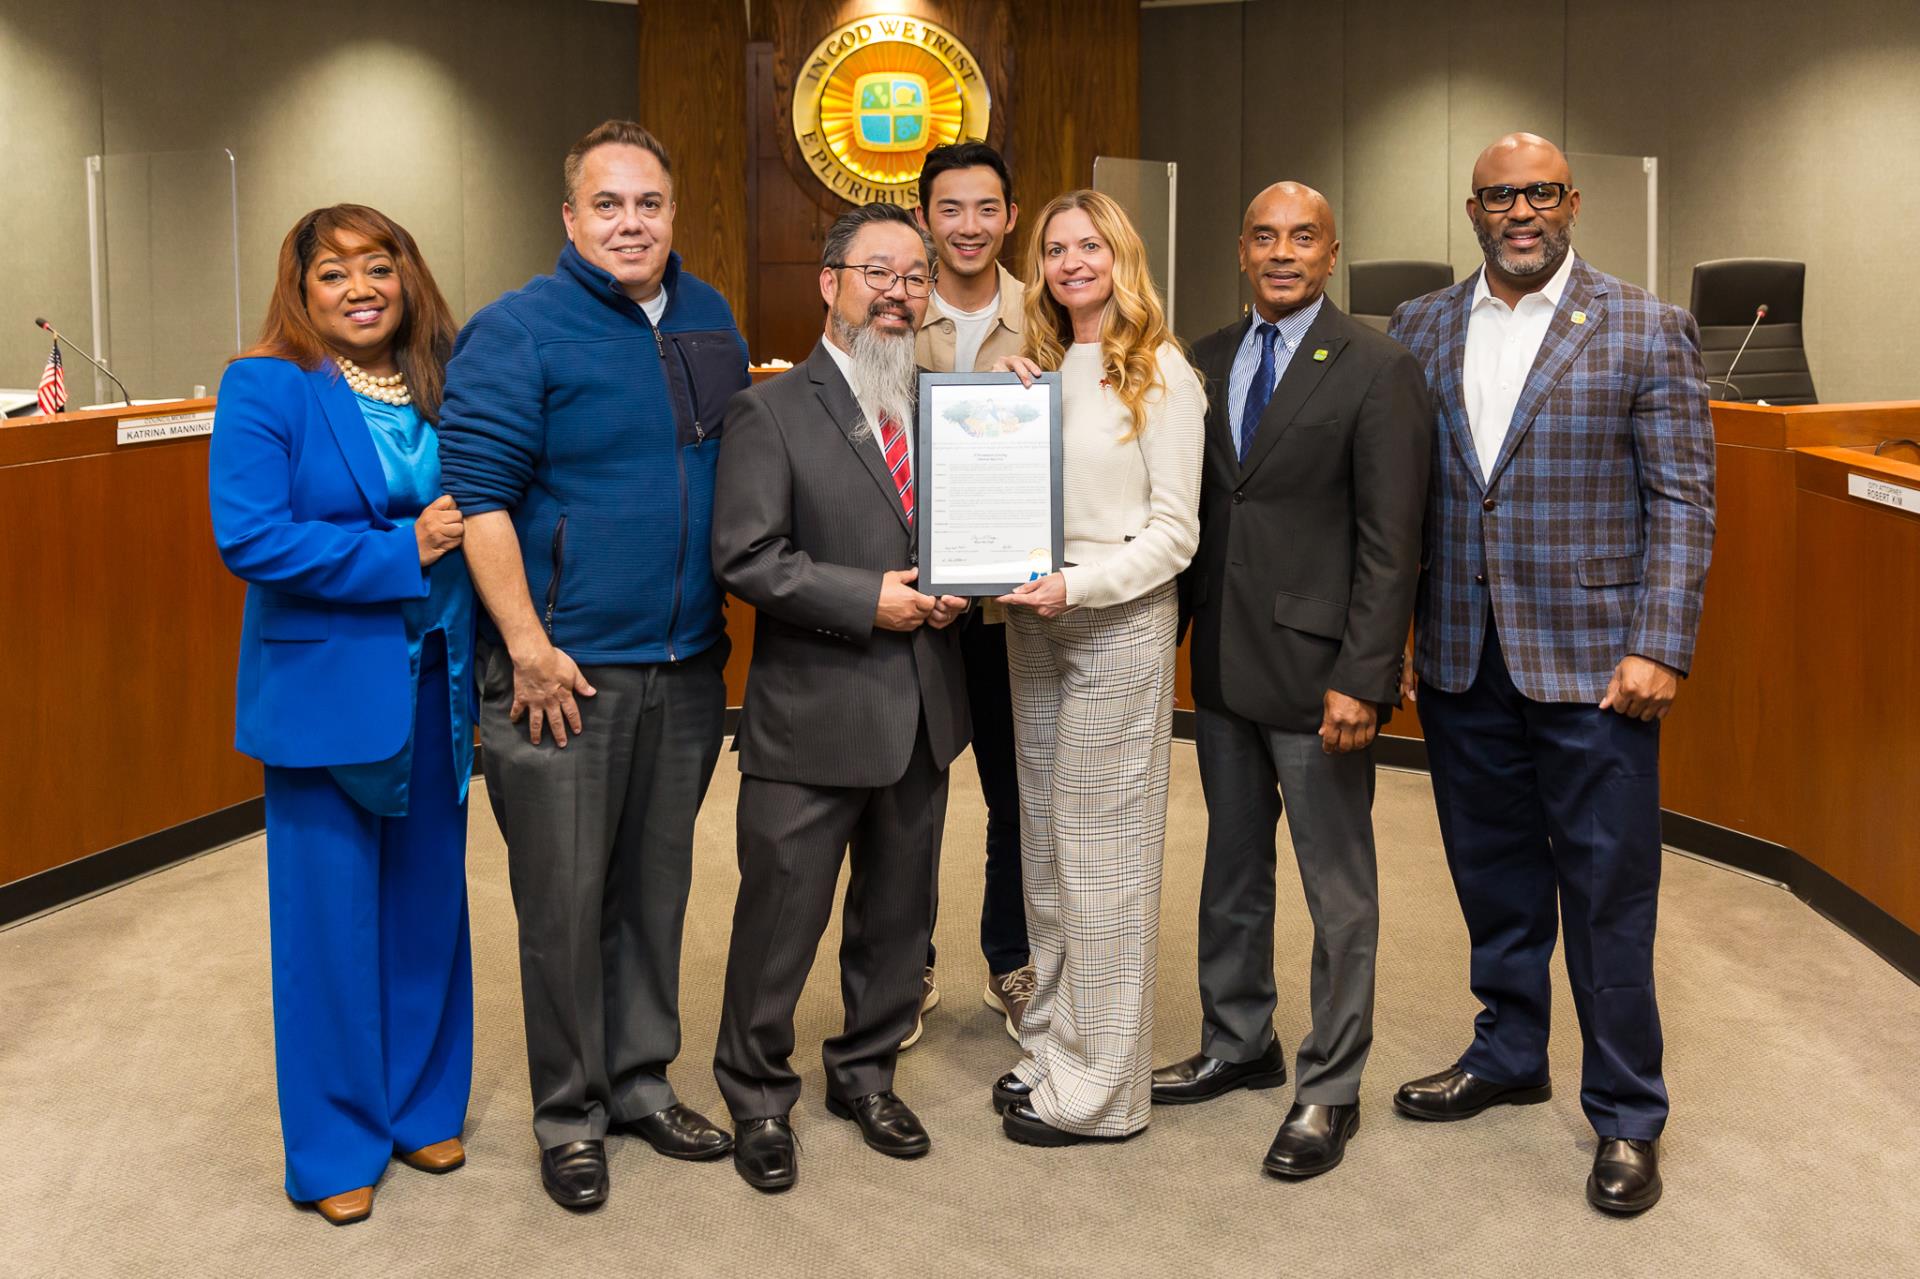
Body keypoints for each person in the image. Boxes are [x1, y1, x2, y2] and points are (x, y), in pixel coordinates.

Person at [1387, 133, 1714, 1214]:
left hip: (1596, 666)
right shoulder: (1423, 326)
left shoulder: (1645, 324)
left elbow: (1683, 501)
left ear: (1569, 201)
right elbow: (1404, 502)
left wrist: (1661, 641)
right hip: (1460, 656)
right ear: (1472, 209)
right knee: (1495, 881)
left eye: (1538, 192)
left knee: (1609, 893)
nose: (1519, 210)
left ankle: (1627, 1112)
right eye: (1498, 196)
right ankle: (1508, 1050)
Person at [436, 120, 748, 1212]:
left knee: (656, 892)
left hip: (689, 664)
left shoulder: (709, 316)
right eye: (607, 205)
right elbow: (477, 503)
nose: (631, 222)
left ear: (674, 213)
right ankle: (569, 1111)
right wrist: (526, 648)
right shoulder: (516, 331)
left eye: (649, 204)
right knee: (564, 903)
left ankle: (640, 1080)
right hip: (562, 674)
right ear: (569, 219)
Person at [1150, 183, 1432, 1179]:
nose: (1282, 252)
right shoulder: (1205, 359)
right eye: (1264, 235)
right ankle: (1239, 1040)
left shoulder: (1379, 367)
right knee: (1231, 871)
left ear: (1331, 250)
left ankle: (1330, 1085)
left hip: (1324, 682)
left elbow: (1391, 542)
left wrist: (1366, 676)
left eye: (1301, 236)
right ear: (1241, 248)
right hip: (1223, 663)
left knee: (1337, 887)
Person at [209, 204, 473, 1226]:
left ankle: (420, 1105)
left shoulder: (443, 383)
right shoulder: (266, 384)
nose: (359, 288)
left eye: (379, 266)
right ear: (301, 289)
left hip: (439, 675)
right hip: (324, 689)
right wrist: (397, 551)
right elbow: (251, 537)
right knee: (326, 926)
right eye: (333, 273)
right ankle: (332, 1144)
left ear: (408, 278)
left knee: (428, 908)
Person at [710, 202, 971, 1193]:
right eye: (879, 272)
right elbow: (747, 555)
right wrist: (871, 600)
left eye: (916, 276)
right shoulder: (769, 409)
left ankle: (865, 1072)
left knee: (899, 923)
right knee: (782, 919)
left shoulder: (947, 403)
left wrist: (959, 586)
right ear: (830, 283)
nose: (900, 292)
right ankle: (756, 1094)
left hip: (921, 711)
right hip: (811, 714)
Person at [991, 190, 1204, 1146]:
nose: (1073, 261)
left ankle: (1105, 1092)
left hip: (1112, 621)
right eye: (1055, 248)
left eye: (1091, 244)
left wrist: (1078, 587)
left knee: (1105, 861)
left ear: (1122, 253)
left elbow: (1175, 533)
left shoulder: (1158, 370)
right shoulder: (1040, 369)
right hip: (1031, 623)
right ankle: (1052, 1045)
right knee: (1046, 853)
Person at [909, 139, 1032, 1047]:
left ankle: (1012, 958)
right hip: (910, 601)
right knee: (906, 788)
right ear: (924, 218)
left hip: (1010, 609)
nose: (968, 226)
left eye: (986, 208)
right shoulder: (883, 307)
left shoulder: (1055, 315)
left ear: (1010, 217)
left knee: (1014, 791)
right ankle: (903, 965)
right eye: (950, 209)